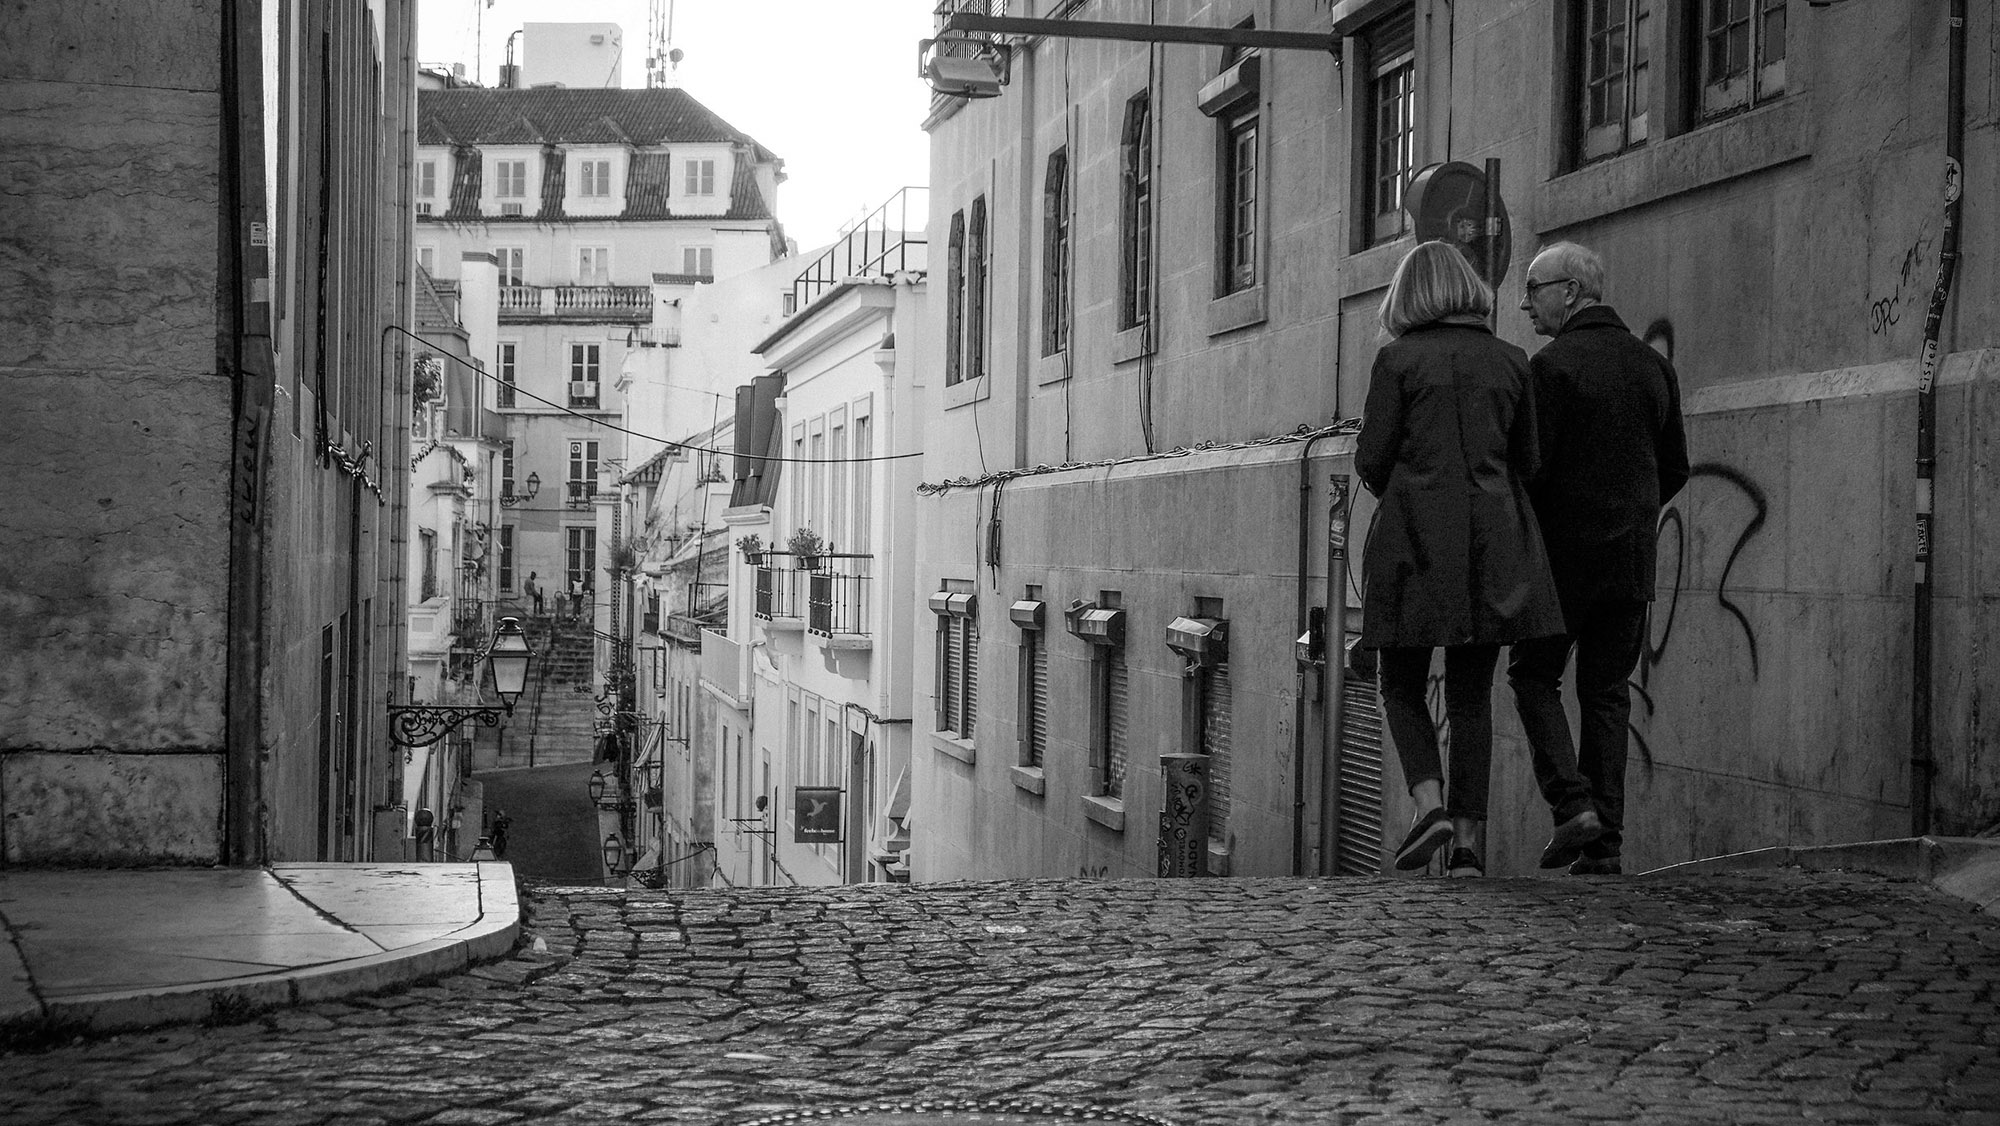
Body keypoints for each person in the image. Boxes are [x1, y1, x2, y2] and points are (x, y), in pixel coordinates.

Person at [1357, 240, 1566, 879]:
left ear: (1411, 295)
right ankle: (1469, 845)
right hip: (1491, 549)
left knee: (1399, 682)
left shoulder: (1397, 363)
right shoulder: (1511, 362)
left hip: (1416, 543)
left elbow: (1371, 459)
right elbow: (1529, 461)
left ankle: (1429, 806)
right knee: (1474, 695)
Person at [1509, 242, 1690, 876]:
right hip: (1632, 560)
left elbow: (1530, 470)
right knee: (1608, 694)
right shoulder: (1652, 367)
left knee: (1533, 677)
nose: (1525, 301)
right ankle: (1606, 846)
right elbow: (1676, 468)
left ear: (1572, 292)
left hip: (1562, 562)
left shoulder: (1551, 368)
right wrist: (1630, 515)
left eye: (1534, 288)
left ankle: (1572, 804)